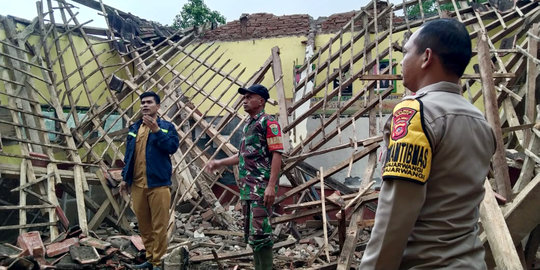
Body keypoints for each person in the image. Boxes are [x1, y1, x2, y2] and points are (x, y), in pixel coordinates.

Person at [359, 19, 496, 269]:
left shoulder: (415, 114)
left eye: (406, 52)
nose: (401, 61)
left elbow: (395, 216)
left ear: (426, 57)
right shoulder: (481, 122)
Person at [206, 84, 284, 270]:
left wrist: (271, 186)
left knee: (262, 235)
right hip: (248, 190)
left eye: (249, 97)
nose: (245, 100)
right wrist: (219, 162)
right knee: (253, 235)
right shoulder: (249, 124)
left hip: (260, 189)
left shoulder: (269, 123)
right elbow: (243, 155)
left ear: (261, 101)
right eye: (244, 97)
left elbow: (277, 154)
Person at [120, 91, 179, 270]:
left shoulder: (167, 127)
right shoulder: (134, 128)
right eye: (142, 102)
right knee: (144, 225)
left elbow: (172, 147)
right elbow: (129, 154)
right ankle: (149, 257)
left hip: (158, 184)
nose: (145, 105)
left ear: (158, 106)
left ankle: (157, 262)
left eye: (149, 102)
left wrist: (156, 130)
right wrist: (125, 178)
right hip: (138, 184)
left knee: (159, 226)